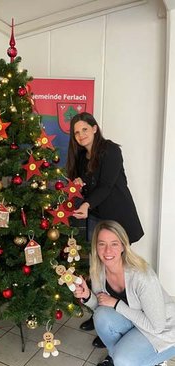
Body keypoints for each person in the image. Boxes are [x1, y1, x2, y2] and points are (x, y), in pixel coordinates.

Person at [66, 112, 144, 347]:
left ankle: (119, 324)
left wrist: (88, 203)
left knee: (120, 274)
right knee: (97, 269)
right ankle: (100, 316)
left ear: (95, 128)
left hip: (118, 219)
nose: (80, 135)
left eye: (84, 130)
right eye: (77, 132)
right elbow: (84, 185)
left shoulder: (110, 150)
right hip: (97, 218)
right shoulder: (81, 157)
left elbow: (107, 185)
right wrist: (77, 185)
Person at [74, 220, 175, 366]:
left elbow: (156, 327)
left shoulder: (142, 276)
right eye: (102, 244)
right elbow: (101, 307)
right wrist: (87, 296)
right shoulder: (98, 270)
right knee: (101, 315)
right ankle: (118, 355)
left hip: (163, 328)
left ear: (123, 246)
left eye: (114, 244)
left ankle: (156, 357)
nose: (107, 250)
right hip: (135, 322)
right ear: (96, 247)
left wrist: (115, 303)